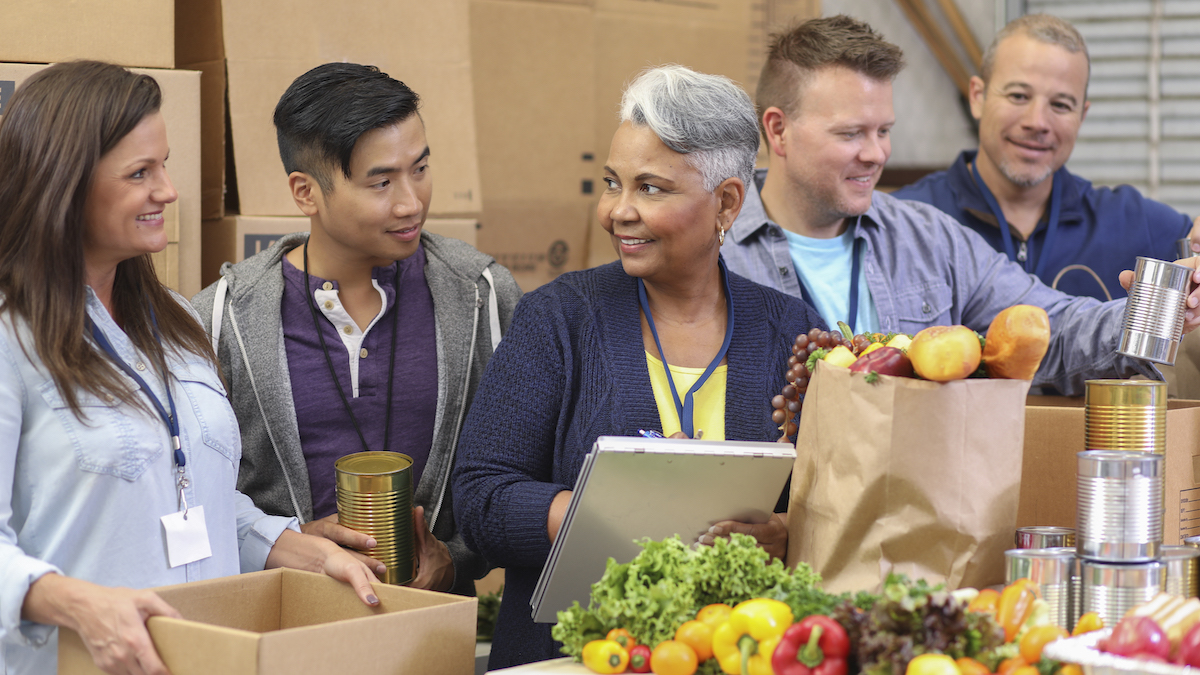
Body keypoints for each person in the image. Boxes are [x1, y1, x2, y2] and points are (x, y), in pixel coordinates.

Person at [0, 61, 380, 675]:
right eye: (139, 173)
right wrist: (75, 603)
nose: (169, 191)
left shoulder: (175, 322)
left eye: (165, 164)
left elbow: (193, 490)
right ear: (62, 184)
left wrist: (296, 550)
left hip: (205, 656)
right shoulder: (9, 336)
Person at [452, 65, 825, 669]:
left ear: (726, 201)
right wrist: (601, 513)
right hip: (571, 657)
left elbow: (838, 505)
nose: (618, 211)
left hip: (740, 653)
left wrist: (783, 534)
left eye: (651, 188)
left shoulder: (792, 332)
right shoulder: (558, 319)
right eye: (611, 183)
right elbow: (479, 500)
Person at [720, 15, 1200, 396]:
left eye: (884, 131)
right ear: (778, 130)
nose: (877, 153)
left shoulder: (929, 238)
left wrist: (1164, 307)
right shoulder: (712, 253)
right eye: (851, 134)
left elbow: (1053, 331)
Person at [191, 63, 521, 595]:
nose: (411, 202)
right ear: (306, 193)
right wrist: (283, 543)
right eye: (381, 182)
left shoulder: (482, 297)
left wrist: (456, 561)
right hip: (281, 630)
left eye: (420, 168)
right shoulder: (222, 318)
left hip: (430, 636)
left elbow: (519, 468)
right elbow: (190, 490)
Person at [893, 13, 1196, 301]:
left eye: (1061, 104)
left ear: (1082, 115)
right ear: (977, 97)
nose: (1037, 122)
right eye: (1018, 96)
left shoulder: (1133, 224)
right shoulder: (907, 221)